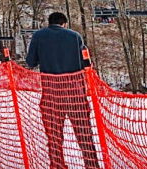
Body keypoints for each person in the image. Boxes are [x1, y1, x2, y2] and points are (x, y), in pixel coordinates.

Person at [27, 12, 101, 169]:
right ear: (65, 24)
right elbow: (86, 63)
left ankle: (57, 165)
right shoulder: (75, 36)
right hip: (75, 92)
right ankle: (92, 165)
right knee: (84, 133)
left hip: (52, 93)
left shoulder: (39, 36)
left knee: (54, 135)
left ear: (49, 23)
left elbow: (30, 61)